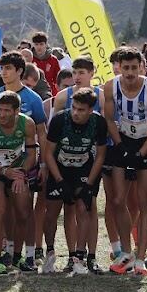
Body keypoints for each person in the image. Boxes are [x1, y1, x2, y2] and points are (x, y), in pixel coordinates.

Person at [101, 46, 147, 277]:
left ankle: (140, 258)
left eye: (133, 68)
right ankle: (126, 253)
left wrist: (140, 153)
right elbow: (109, 119)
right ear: (119, 67)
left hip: (146, 143)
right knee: (118, 200)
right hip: (123, 141)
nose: (129, 72)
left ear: (142, 67)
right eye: (125, 67)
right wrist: (121, 146)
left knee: (144, 202)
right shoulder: (111, 86)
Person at [43, 89, 109, 275]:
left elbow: (101, 155)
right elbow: (48, 153)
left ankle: (79, 256)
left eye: (81, 110)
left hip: (83, 169)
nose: (76, 113)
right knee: (52, 213)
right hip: (59, 168)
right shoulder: (59, 120)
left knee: (83, 208)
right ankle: (50, 251)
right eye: (74, 108)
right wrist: (59, 180)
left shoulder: (98, 122)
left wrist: (90, 184)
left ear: (90, 110)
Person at [0, 91, 37, 274]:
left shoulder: (27, 124)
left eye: (6, 111)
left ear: (17, 111)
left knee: (23, 210)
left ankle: (17, 256)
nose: (2, 114)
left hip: (18, 170)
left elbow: (32, 154)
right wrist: (4, 171)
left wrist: (21, 174)